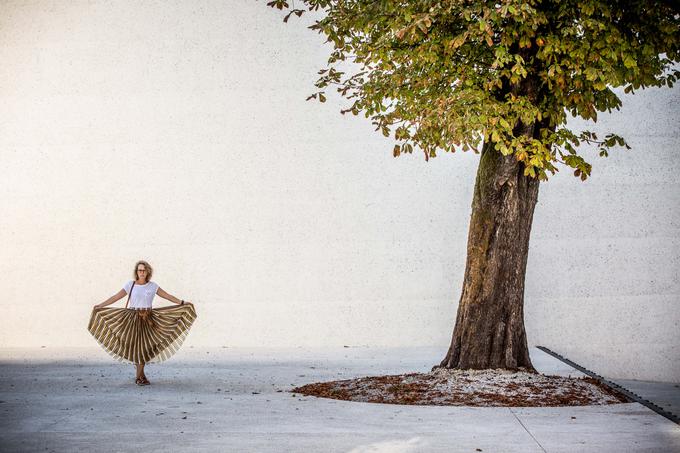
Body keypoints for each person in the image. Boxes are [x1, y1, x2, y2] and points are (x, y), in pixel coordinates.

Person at [89, 260, 197, 386]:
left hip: (148, 319)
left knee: (145, 348)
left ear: (148, 272)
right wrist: (101, 305)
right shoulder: (130, 285)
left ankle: (140, 376)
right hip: (133, 318)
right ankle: (140, 377)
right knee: (137, 348)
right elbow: (115, 297)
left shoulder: (153, 286)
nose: (142, 272)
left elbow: (168, 296)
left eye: (144, 270)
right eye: (140, 270)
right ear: (136, 272)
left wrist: (182, 303)